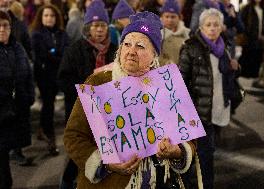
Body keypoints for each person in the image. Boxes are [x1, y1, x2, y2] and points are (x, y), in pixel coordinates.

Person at [63, 11, 199, 188]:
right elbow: (73, 136)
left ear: (153, 56)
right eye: (127, 44)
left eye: (140, 46)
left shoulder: (167, 86)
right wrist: (105, 163)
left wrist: (177, 151)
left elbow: (188, 139)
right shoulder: (98, 84)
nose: (131, 52)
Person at [58, 1, 117, 188]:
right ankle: (67, 183)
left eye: (103, 25)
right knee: (79, 150)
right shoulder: (75, 49)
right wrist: (85, 90)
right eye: (95, 25)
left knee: (103, 148)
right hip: (81, 109)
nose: (99, 30)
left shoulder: (115, 50)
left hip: (107, 111)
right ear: (88, 27)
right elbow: (63, 79)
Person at [179, 8, 239, 189]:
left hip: (218, 108)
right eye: (208, 25)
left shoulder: (225, 46)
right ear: (201, 27)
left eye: (216, 25)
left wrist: (236, 68)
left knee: (208, 152)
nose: (212, 28)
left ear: (221, 27)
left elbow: (227, 76)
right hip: (199, 111)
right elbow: (181, 81)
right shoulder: (190, 46)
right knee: (201, 155)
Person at [0, 10, 34, 189]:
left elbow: (27, 73)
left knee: (8, 151)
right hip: (2, 112)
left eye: (5, 25)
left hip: (16, 110)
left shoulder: (17, 47)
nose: (2, 29)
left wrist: (29, 96)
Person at [31, 4, 69, 156]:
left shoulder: (61, 33)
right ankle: (50, 136)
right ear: (41, 17)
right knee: (48, 104)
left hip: (58, 74)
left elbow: (65, 51)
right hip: (44, 75)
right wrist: (55, 53)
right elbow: (41, 55)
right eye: (46, 15)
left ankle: (42, 129)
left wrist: (53, 53)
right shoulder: (36, 34)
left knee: (50, 103)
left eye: (52, 16)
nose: (49, 18)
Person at [238, 0, 264, 78]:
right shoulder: (247, 8)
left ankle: (254, 76)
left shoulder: (263, 9)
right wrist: (250, 34)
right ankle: (244, 75)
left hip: (261, 39)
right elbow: (242, 23)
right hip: (249, 38)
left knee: (258, 57)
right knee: (247, 56)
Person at [159, 0, 190, 66]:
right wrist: (165, 62)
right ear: (161, 17)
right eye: (167, 16)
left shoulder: (187, 35)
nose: (170, 20)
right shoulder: (157, 34)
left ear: (179, 18)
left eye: (173, 17)